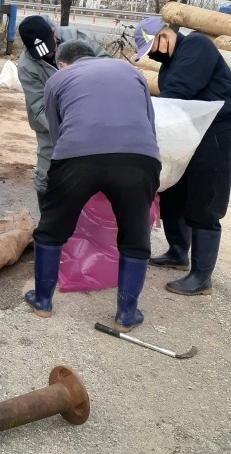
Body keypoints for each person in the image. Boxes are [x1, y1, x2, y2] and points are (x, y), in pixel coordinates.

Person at [25, 40, 161, 331]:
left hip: (77, 157)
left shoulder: (58, 78)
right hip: (139, 158)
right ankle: (126, 314)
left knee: (51, 229)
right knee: (135, 237)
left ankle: (43, 301)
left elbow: (56, 129)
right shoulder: (131, 71)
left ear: (63, 63)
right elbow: (150, 121)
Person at [133, 15, 231, 295]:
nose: (153, 55)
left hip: (216, 133)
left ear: (164, 36)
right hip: (189, 133)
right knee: (174, 192)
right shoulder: (170, 63)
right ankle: (178, 252)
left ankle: (202, 277)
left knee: (205, 200)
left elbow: (179, 92)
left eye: (152, 49)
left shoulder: (197, 46)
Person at [17, 15, 107, 209]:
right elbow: (40, 106)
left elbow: (106, 64)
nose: (49, 55)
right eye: (41, 54)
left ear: (53, 32)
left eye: (51, 49)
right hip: (50, 123)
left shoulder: (76, 38)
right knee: (47, 171)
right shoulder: (26, 65)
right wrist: (66, 131)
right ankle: (47, 224)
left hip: (90, 112)